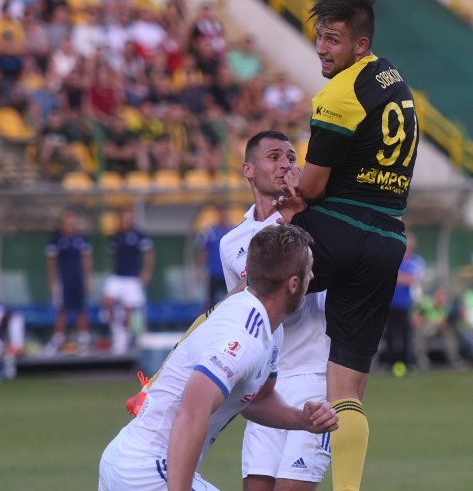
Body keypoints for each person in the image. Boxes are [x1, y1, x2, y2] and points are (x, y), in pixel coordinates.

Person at [274, 0, 419, 491]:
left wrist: (293, 191)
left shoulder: (339, 94)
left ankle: (165, 388)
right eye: (318, 37)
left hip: (336, 231)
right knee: (348, 389)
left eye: (332, 40)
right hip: (386, 242)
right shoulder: (392, 77)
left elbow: (311, 187)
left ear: (360, 44)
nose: (321, 48)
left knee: (245, 294)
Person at [98, 224, 338, 491]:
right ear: (294, 284)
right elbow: (192, 412)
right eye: (310, 269)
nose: (313, 275)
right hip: (146, 470)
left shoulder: (269, 325)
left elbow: (259, 398)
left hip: (129, 460)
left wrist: (300, 420)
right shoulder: (242, 340)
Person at [219, 130, 331, 491]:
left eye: (291, 158)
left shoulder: (314, 221)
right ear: (248, 170)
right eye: (274, 157)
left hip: (315, 375)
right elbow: (244, 312)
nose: (286, 164)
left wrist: (302, 210)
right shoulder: (232, 243)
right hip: (266, 384)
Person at [101, 207, 155, 355]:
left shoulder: (139, 235)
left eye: (129, 217)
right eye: (125, 217)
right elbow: (113, 252)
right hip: (118, 276)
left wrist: (146, 272)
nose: (127, 220)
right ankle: (117, 329)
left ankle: (126, 338)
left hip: (132, 278)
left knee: (129, 311)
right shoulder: (116, 236)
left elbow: (149, 253)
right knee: (108, 302)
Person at [44, 209, 93, 355]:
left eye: (72, 222)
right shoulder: (56, 240)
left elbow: (86, 260)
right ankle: (58, 340)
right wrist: (52, 282)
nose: (70, 225)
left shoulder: (81, 240)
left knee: (81, 309)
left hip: (77, 279)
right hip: (63, 279)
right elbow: (51, 264)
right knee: (62, 309)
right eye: (67, 222)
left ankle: (84, 340)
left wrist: (87, 279)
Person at [383, 232, 425, 377]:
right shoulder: (394, 258)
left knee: (406, 335)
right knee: (389, 335)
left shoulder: (416, 261)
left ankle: (408, 363)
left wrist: (397, 276)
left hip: (407, 305)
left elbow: (412, 279)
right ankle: (391, 363)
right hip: (390, 302)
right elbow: (386, 274)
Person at [412, 282, 464, 371]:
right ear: (436, 294)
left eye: (444, 295)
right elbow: (416, 316)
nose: (442, 297)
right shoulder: (426, 303)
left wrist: (441, 323)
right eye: (440, 294)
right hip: (427, 327)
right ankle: (422, 360)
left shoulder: (447, 307)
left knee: (449, 331)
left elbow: (447, 321)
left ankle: (454, 359)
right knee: (419, 331)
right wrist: (420, 320)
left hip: (440, 329)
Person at [196, 203, 234, 312]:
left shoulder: (233, 230)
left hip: (228, 273)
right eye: (221, 212)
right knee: (209, 301)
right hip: (214, 273)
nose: (223, 215)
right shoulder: (210, 232)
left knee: (232, 300)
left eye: (225, 212)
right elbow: (204, 251)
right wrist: (200, 270)